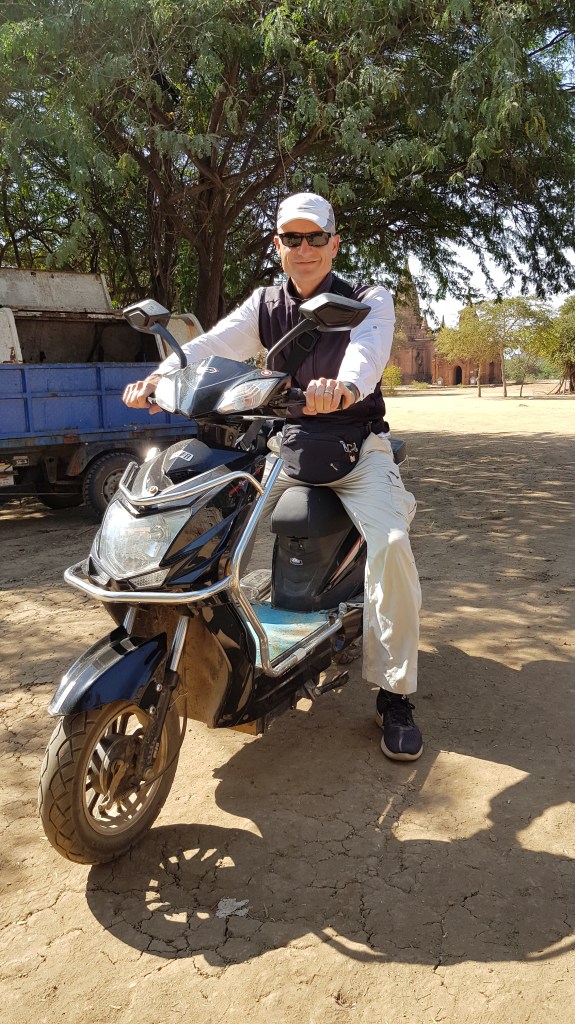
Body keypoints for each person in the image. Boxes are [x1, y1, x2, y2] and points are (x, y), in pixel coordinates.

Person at [123, 192, 423, 761]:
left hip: (358, 449)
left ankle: (396, 694)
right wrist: (159, 379)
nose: (304, 248)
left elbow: (367, 353)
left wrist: (345, 387)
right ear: (277, 245)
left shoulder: (368, 298)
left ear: (334, 244)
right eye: (292, 238)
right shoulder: (264, 304)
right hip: (288, 448)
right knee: (217, 521)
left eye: (315, 237)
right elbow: (211, 346)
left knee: (390, 546)